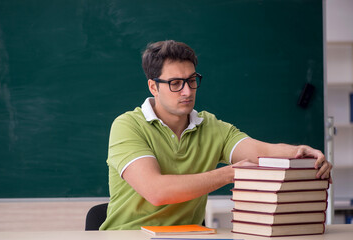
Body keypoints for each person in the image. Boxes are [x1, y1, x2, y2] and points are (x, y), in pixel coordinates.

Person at [99, 40, 332, 230]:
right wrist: (228, 174)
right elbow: (157, 191)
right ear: (153, 87)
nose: (187, 91)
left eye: (192, 80)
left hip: (190, 237)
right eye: (176, 84)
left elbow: (260, 152)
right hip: (128, 237)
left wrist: (299, 152)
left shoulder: (210, 126)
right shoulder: (128, 125)